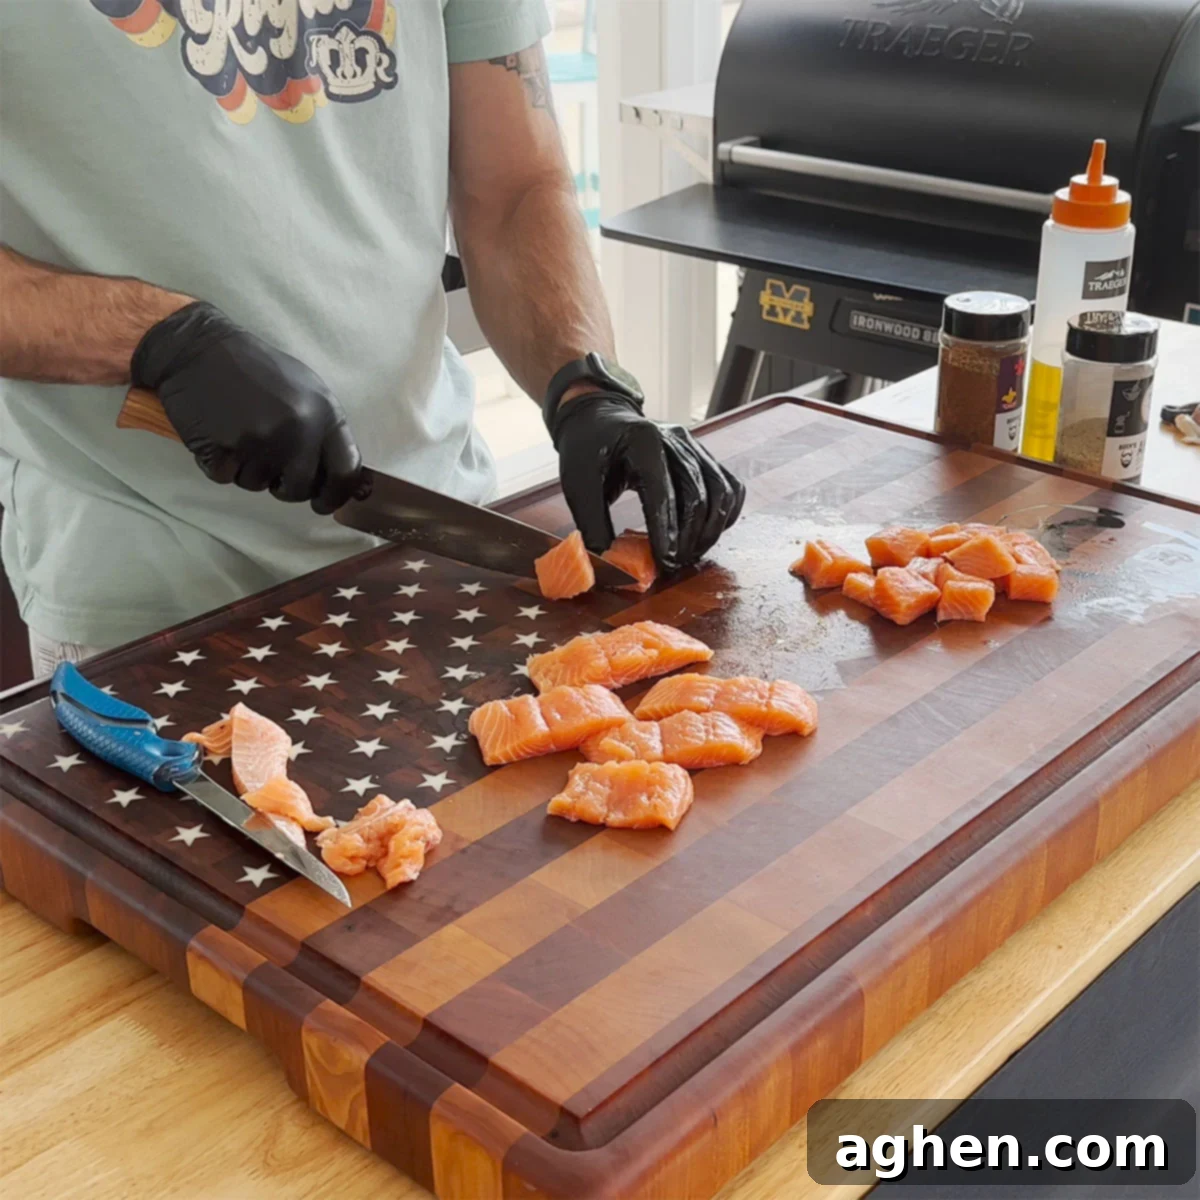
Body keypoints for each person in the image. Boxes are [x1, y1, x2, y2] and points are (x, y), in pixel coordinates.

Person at [0, 0, 744, 676]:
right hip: (153, 598)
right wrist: (157, 339)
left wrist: (586, 387)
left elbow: (514, 185)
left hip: (443, 545)